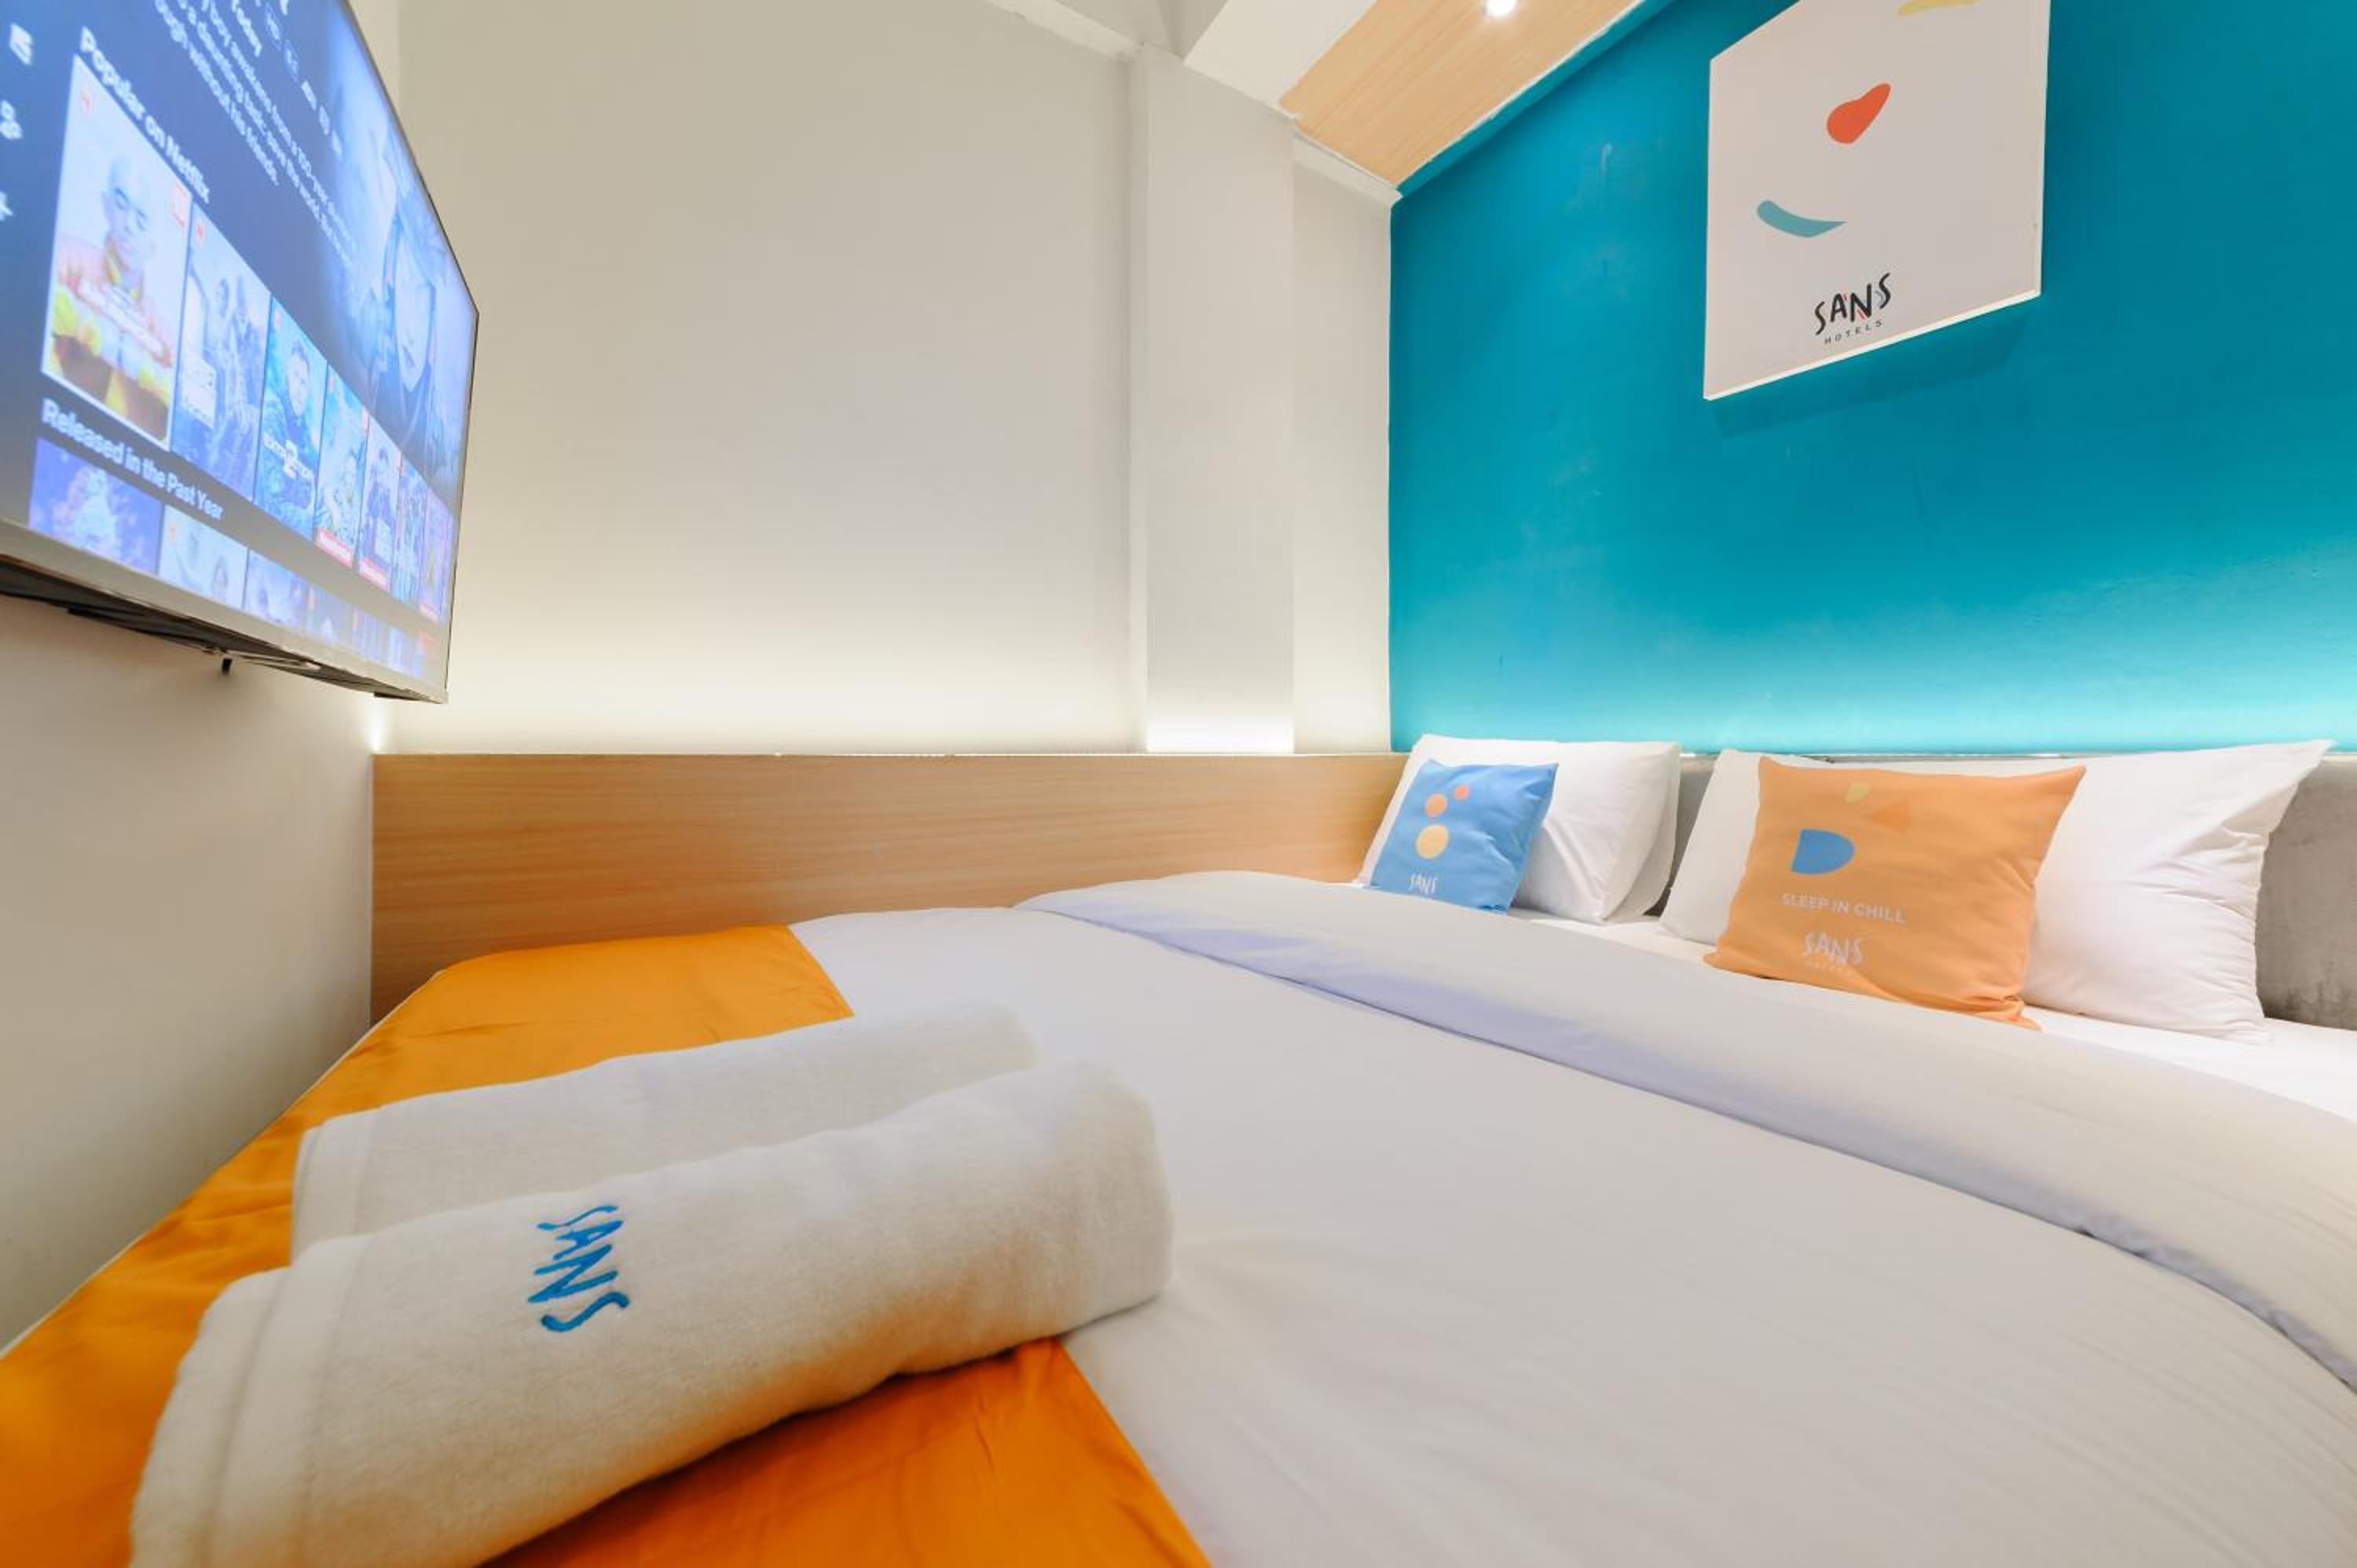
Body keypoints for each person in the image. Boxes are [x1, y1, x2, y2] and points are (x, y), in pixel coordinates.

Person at [48, 155, 178, 439]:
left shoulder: (162, 333)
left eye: (142, 220)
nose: (129, 224)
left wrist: (142, 369)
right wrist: (86, 326)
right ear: (105, 205)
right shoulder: (66, 257)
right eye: (121, 204)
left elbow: (173, 418)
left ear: (154, 244)